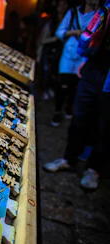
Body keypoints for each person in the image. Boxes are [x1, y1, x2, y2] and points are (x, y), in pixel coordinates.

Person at [44, 0, 110, 190]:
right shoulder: (104, 10)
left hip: (107, 74)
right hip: (91, 65)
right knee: (78, 116)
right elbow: (90, 37)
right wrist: (88, 58)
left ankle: (94, 169)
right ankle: (69, 158)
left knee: (104, 123)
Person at [51, 0, 100, 127]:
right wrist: (74, 32)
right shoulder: (73, 12)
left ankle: (69, 108)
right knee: (63, 84)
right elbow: (60, 31)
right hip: (69, 52)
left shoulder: (99, 16)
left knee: (74, 85)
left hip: (83, 55)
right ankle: (57, 111)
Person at [36, 0, 69, 100]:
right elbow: (42, 40)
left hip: (61, 54)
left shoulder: (69, 23)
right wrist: (56, 38)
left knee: (54, 74)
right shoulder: (51, 23)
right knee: (46, 73)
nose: (62, 8)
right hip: (48, 52)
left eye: (64, 5)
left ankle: (49, 90)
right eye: (60, 5)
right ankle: (44, 90)